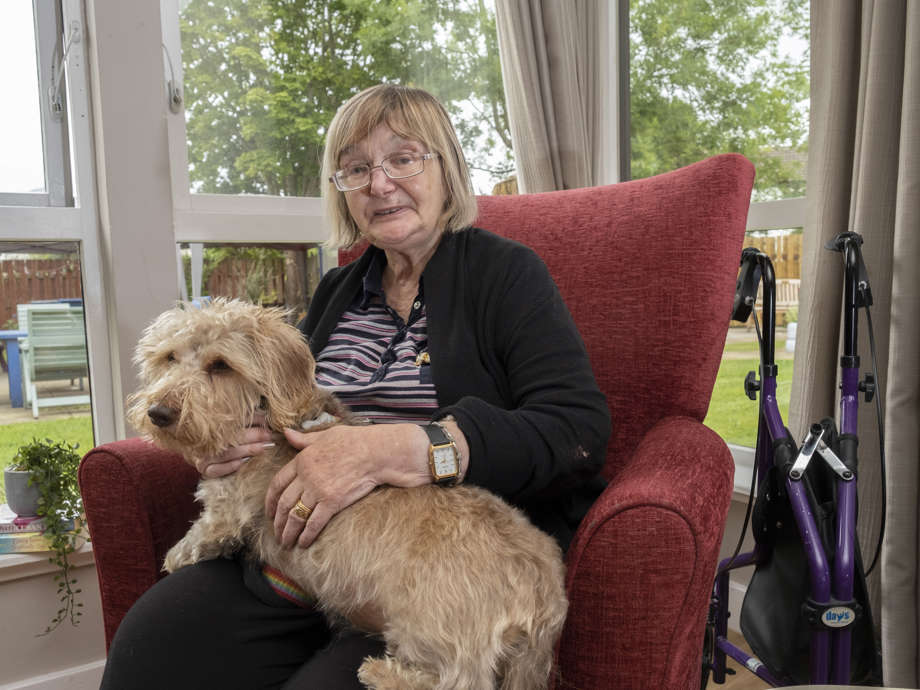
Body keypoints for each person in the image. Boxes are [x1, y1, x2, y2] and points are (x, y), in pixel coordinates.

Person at [100, 84, 611, 690]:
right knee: (149, 651)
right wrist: (234, 442)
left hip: (429, 570)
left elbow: (576, 431)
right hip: (299, 563)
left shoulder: (505, 275)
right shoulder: (339, 291)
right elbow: (287, 404)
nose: (379, 183)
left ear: (446, 167)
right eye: (356, 168)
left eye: (403, 158)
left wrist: (397, 450)